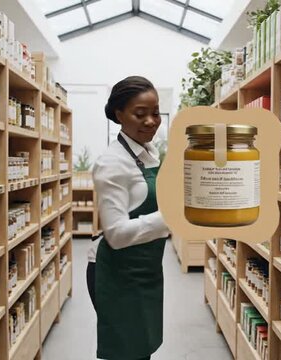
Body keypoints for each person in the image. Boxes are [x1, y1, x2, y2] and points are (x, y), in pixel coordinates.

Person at [91, 76, 170, 360]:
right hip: (119, 272)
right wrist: (172, 218)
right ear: (118, 114)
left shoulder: (150, 152)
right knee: (127, 353)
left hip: (147, 267)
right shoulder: (112, 163)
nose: (151, 121)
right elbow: (116, 234)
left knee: (142, 350)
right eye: (140, 114)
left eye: (156, 112)